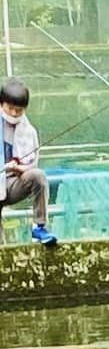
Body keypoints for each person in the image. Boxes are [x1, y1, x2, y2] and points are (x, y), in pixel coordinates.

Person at [0, 78, 54, 244]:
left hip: (11, 184)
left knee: (38, 176)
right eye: (10, 109)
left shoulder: (28, 131)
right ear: (1, 104)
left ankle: (39, 227)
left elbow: (32, 164)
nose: (14, 114)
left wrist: (20, 168)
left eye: (19, 110)